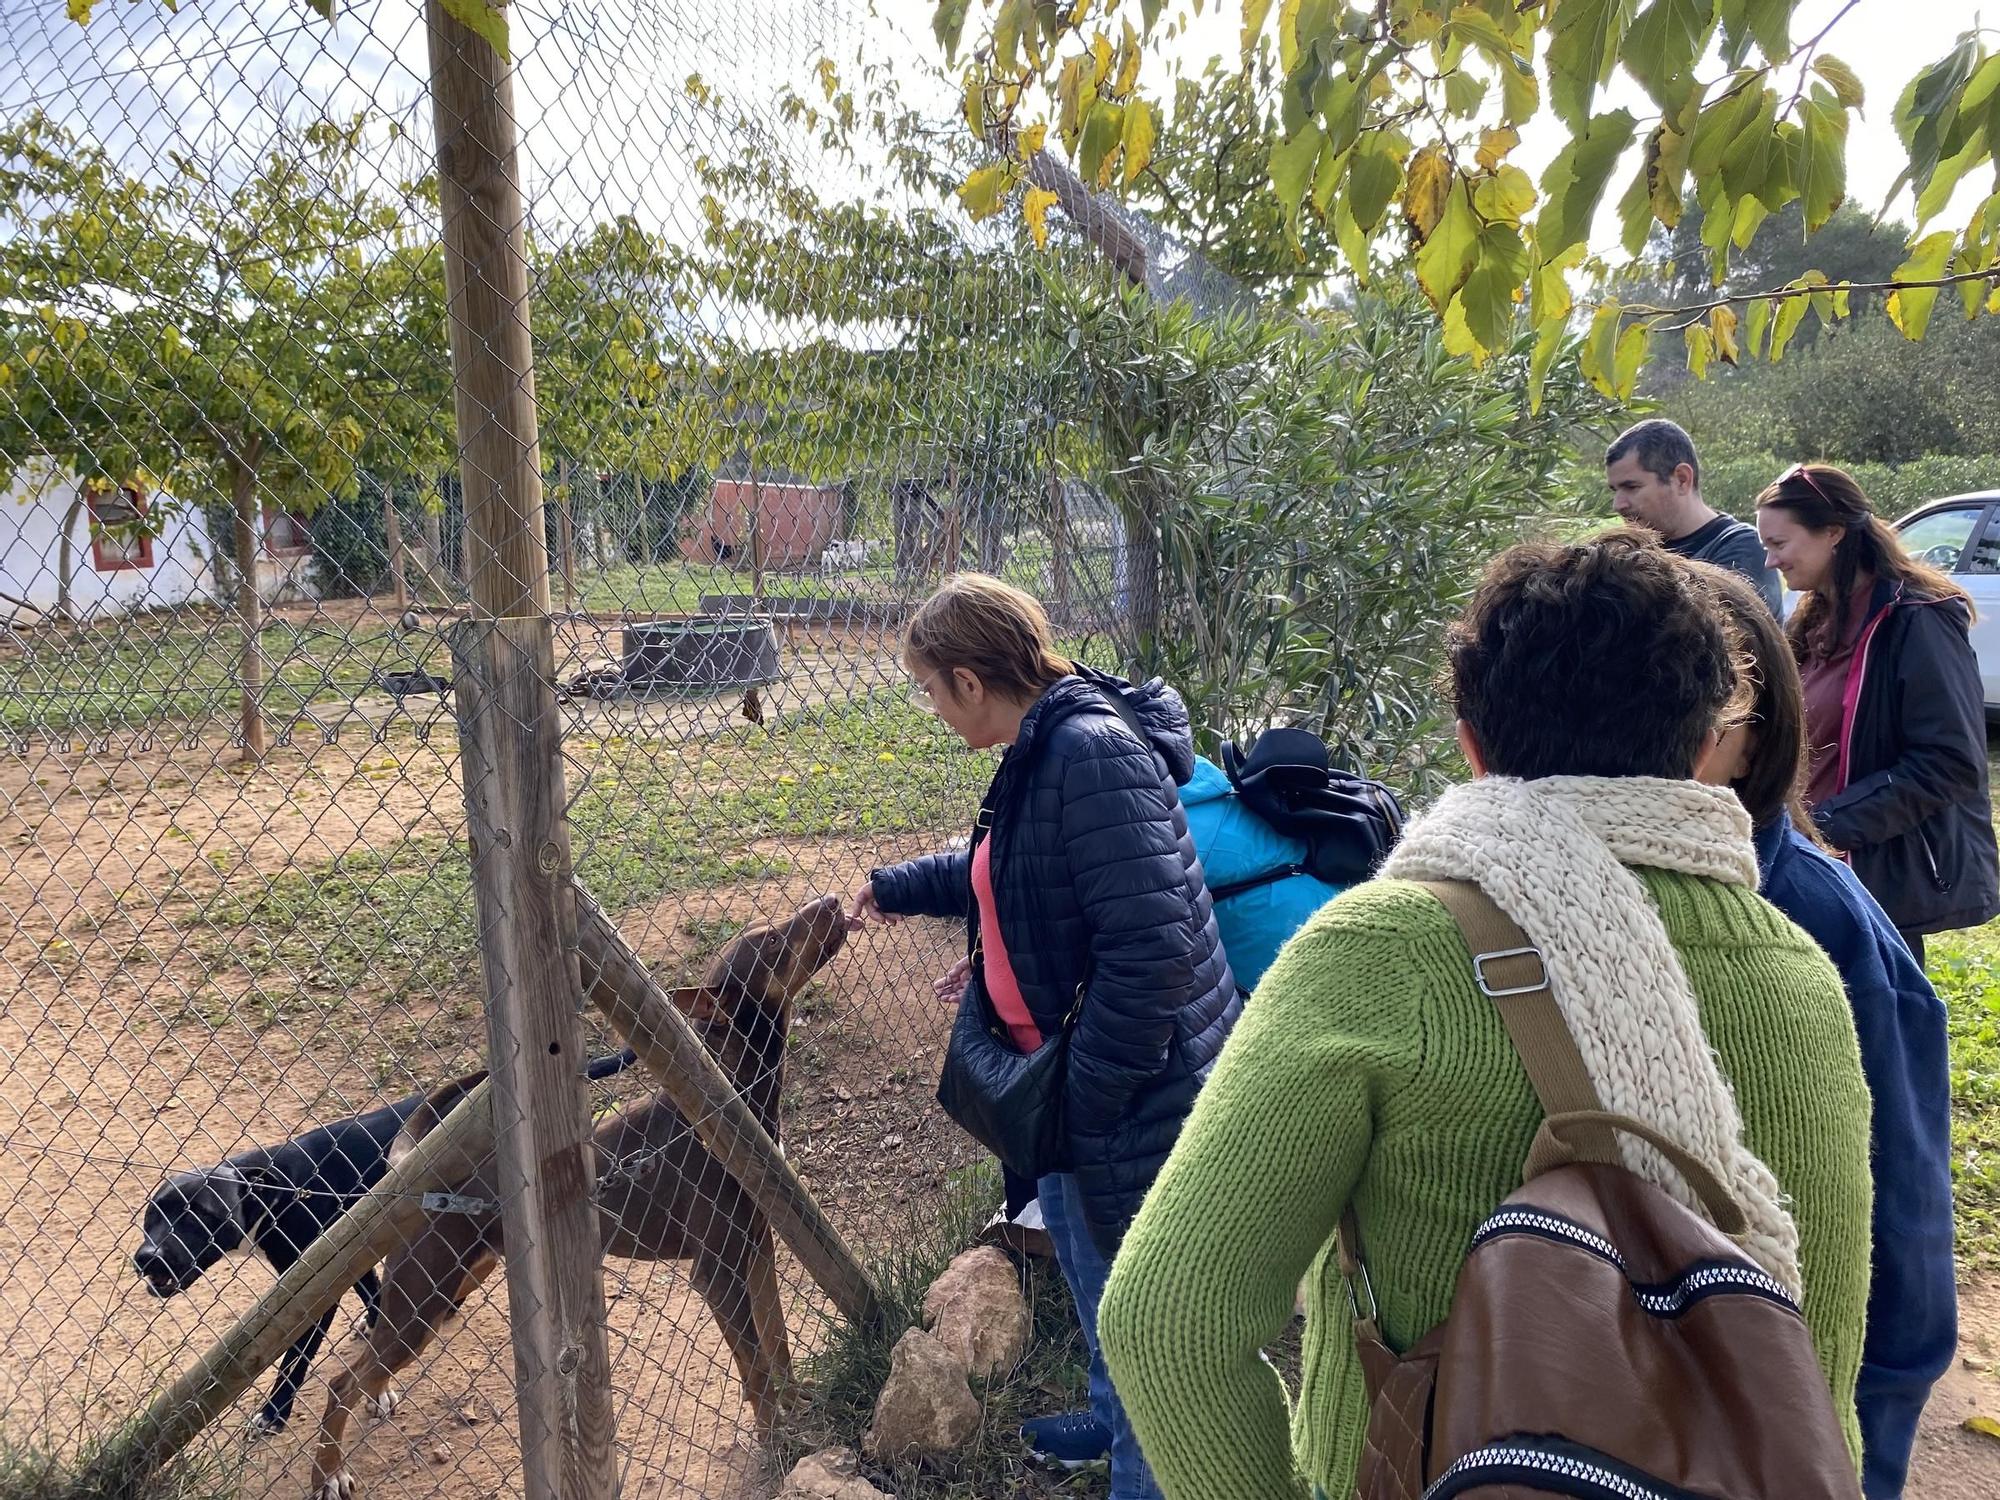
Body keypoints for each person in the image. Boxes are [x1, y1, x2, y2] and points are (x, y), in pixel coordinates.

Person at [1098, 531, 1873, 1500]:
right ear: (1710, 744)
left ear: (1469, 742)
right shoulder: (1800, 980)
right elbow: (1816, 1365)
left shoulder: (1380, 952)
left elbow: (1167, 1321)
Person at [848, 572, 1239, 1497]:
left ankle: (1143, 1470)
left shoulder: (1089, 755)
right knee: (1099, 1287)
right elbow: (1010, 870)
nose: (931, 708)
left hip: (1128, 1097)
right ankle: (1107, 1425)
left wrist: (1085, 1105)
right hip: (1076, 1095)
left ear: (969, 682)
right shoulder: (1042, 747)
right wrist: (899, 887)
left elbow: (1151, 955)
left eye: (930, 689)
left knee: (1145, 1333)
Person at [1693, 561, 1956, 1500]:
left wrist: (1883, 1407)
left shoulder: (1817, 917)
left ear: (1747, 738)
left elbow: (1905, 1186)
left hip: (1790, 1394)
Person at [1755, 462, 1999, 964]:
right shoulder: (1814, 617)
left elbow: (1949, 762)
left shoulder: (1919, 621)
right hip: (1818, 864)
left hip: (1878, 875)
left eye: (1780, 544)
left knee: (1882, 1028)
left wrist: (1827, 825)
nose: (1771, 559)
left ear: (1834, 533)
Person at [1606, 417, 1783, 613]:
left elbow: (1725, 634)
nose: (1618, 504)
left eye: (1631, 487)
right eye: (1615, 490)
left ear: (1682, 479)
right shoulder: (1630, 555)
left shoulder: (1743, 548)